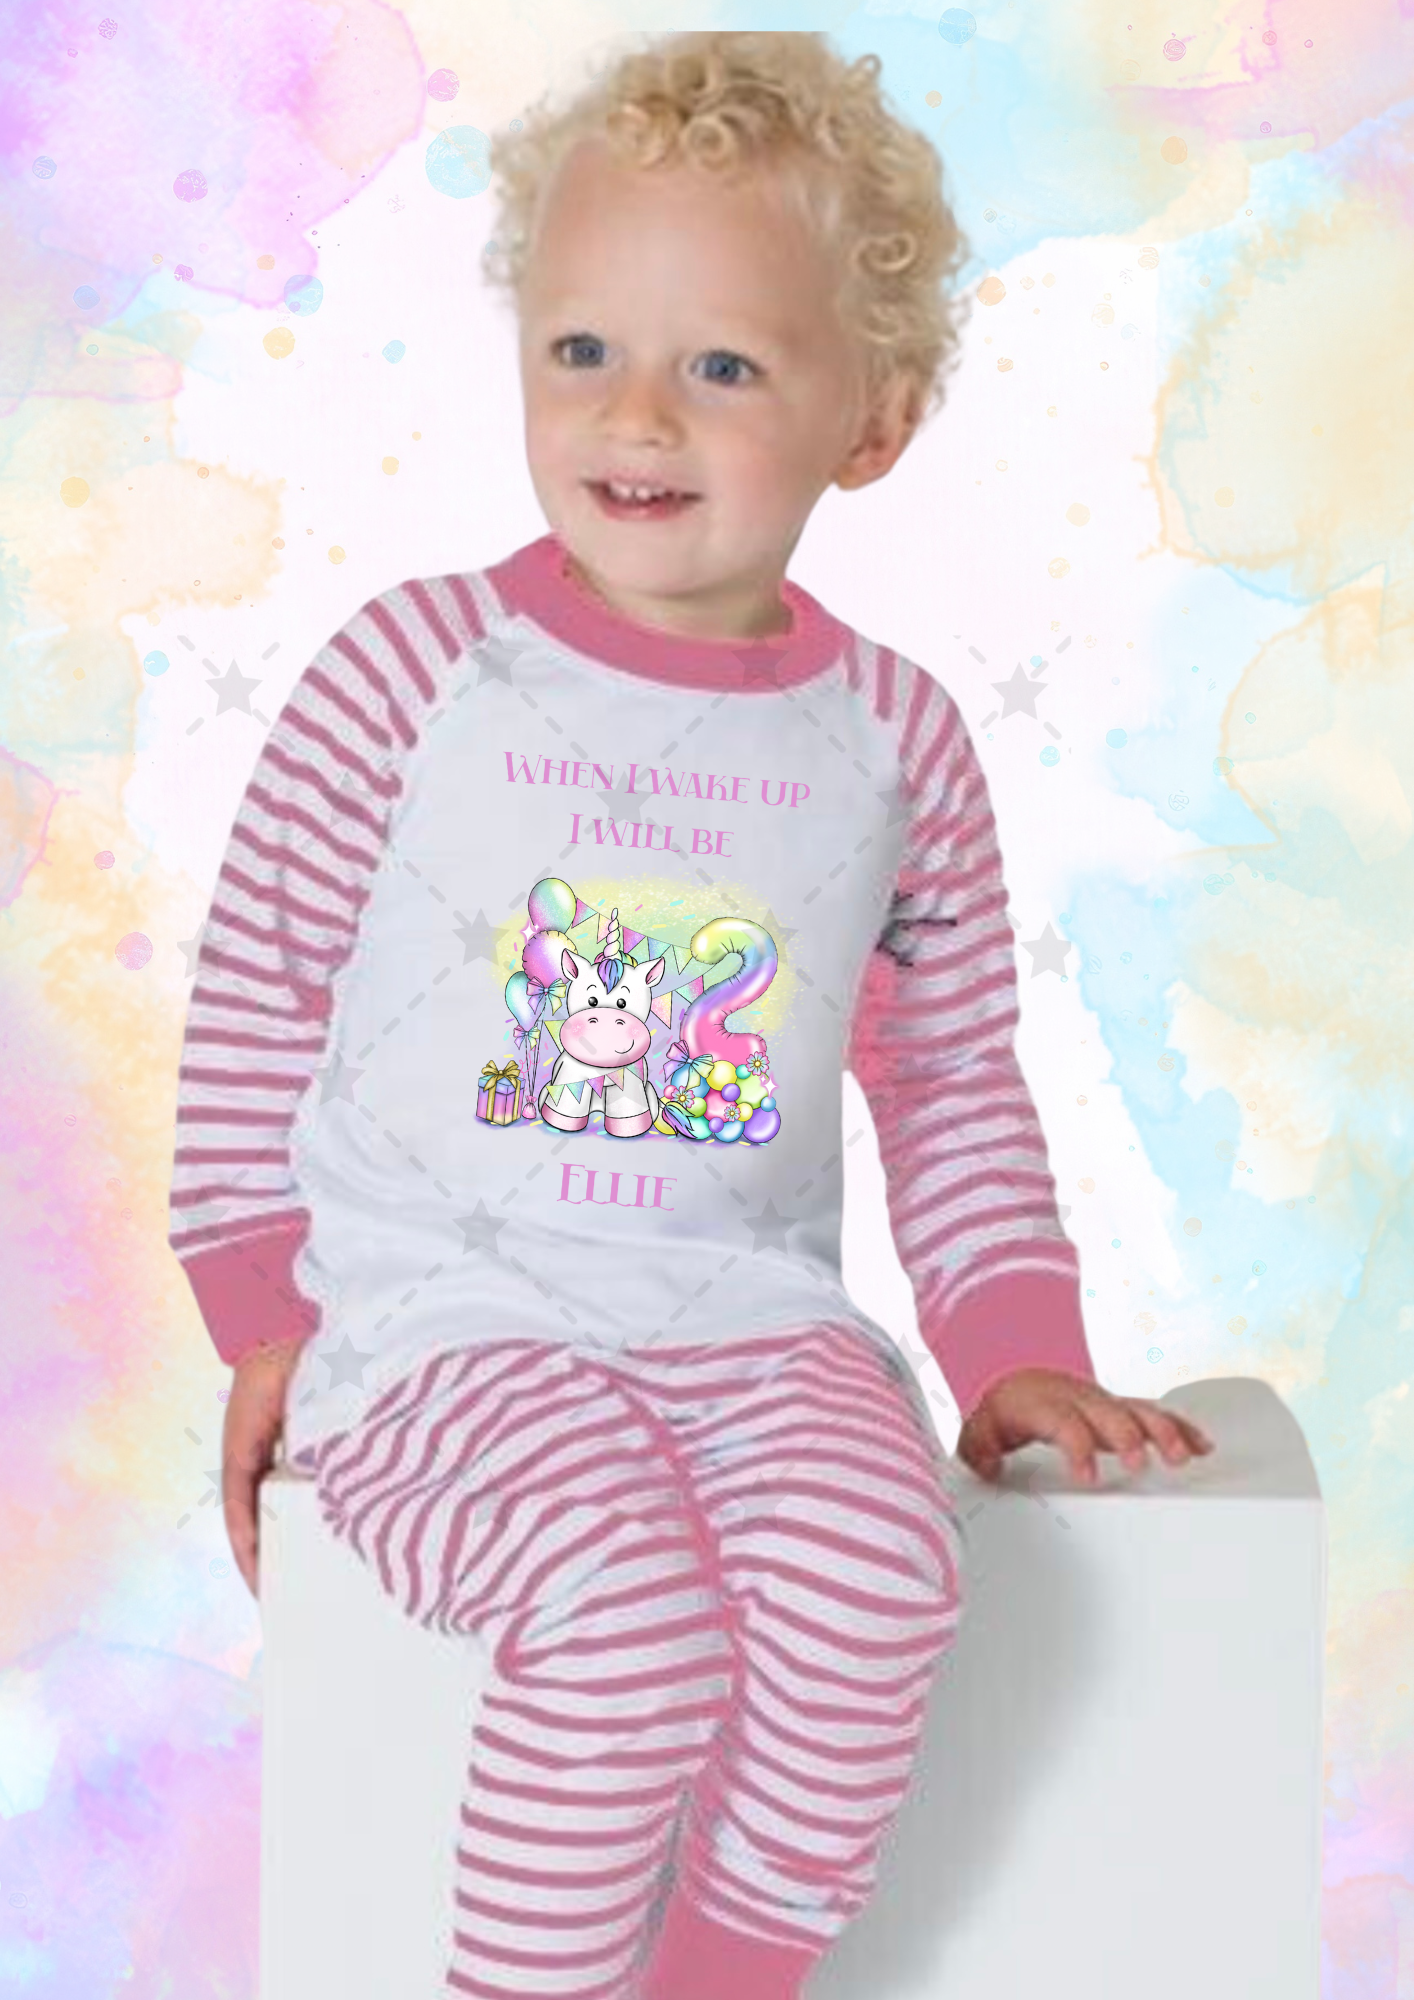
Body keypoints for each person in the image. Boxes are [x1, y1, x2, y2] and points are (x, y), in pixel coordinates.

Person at [171, 30, 1213, 1999]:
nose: (633, 412)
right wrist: (262, 1315)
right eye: (581, 349)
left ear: (869, 418)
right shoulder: (412, 672)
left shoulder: (892, 738)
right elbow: (254, 992)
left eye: (721, 365)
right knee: (622, 1620)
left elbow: (947, 1075)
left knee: (882, 1580)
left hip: (748, 1325)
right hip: (443, 1326)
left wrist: (1009, 1350)